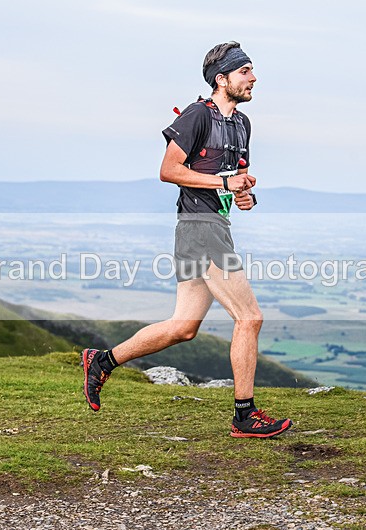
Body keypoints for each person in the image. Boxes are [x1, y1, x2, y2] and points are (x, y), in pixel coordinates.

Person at [81, 41, 292, 439]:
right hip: (199, 227)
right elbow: (169, 170)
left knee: (182, 326)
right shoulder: (196, 114)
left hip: (213, 223)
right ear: (222, 79)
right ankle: (243, 416)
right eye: (245, 71)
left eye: (251, 70)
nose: (253, 77)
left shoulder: (241, 124)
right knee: (250, 317)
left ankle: (103, 361)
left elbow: (230, 181)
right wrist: (223, 181)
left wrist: (243, 193)